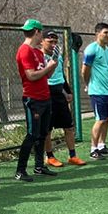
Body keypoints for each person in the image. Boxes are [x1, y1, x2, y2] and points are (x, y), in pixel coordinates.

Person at [14, 19, 58, 181]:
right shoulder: (24, 50)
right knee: (32, 134)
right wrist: (49, 66)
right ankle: (20, 170)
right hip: (32, 99)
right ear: (37, 32)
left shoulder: (38, 52)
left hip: (45, 97)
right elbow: (31, 76)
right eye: (41, 32)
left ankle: (39, 166)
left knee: (43, 134)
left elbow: (47, 75)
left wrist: (54, 62)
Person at [42, 31, 86, 169]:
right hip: (46, 94)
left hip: (59, 94)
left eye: (55, 42)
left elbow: (61, 75)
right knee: (47, 129)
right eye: (50, 41)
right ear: (42, 41)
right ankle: (49, 156)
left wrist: (68, 91)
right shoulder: (39, 57)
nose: (53, 44)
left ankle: (72, 155)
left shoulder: (58, 56)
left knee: (69, 126)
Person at [82, 22, 108, 157]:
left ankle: (102, 145)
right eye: (105, 33)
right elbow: (85, 70)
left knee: (106, 119)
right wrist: (88, 84)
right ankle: (93, 149)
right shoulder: (91, 49)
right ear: (97, 34)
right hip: (97, 91)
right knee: (100, 119)